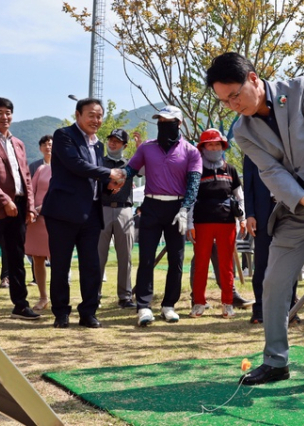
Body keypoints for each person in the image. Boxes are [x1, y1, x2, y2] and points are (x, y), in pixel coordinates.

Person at [207, 52, 304, 396]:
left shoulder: (298, 91)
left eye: (235, 95)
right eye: (224, 101)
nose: (233, 105)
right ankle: (276, 361)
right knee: (274, 281)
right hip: (295, 208)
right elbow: (271, 172)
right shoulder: (242, 131)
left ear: (252, 79)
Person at [42, 98, 126, 329]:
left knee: (91, 266)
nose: (96, 120)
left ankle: (88, 313)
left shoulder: (98, 145)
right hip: (62, 213)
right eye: (91, 115)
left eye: (99, 116)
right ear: (78, 115)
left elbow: (95, 177)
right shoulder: (64, 135)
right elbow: (75, 164)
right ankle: (61, 313)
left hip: (91, 213)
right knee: (61, 265)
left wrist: (109, 185)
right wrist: (109, 173)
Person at [124, 105, 202, 326]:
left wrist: (186, 209)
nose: (162, 125)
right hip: (151, 206)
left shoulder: (191, 151)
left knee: (176, 260)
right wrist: (114, 177)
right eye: (160, 121)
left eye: (167, 122)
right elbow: (130, 171)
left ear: (178, 124)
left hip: (177, 209)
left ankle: (169, 305)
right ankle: (144, 306)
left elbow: (194, 184)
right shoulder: (147, 148)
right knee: (146, 257)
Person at [0, 97, 40, 322]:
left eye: (8, 112)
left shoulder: (18, 143)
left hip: (18, 208)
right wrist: (4, 199)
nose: (4, 117)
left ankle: (20, 304)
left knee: (17, 256)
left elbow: (26, 176)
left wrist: (29, 206)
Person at [187, 128, 245, 319]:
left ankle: (227, 303)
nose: (213, 147)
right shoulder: (196, 169)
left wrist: (242, 219)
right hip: (201, 223)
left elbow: (239, 196)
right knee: (201, 264)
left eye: (217, 144)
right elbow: (191, 199)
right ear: (202, 147)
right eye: (209, 144)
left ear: (222, 146)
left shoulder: (230, 169)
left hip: (227, 222)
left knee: (227, 265)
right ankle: (198, 303)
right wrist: (189, 225)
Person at [244, 155, 300, 324]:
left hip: (288, 210)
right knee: (262, 262)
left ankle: (291, 308)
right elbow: (248, 187)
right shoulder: (251, 152)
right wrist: (250, 214)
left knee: (290, 262)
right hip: (262, 213)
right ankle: (260, 309)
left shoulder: (290, 147)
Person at [97, 129, 137, 309]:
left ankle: (125, 296)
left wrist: (140, 147)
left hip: (124, 210)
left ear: (124, 145)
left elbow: (145, 169)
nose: (112, 143)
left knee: (125, 256)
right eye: (111, 140)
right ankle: (94, 294)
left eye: (117, 141)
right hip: (102, 209)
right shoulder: (99, 161)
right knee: (98, 256)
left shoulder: (130, 164)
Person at [25, 135, 53, 311]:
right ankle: (43, 297)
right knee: (37, 259)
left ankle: (59, 297)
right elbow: (30, 190)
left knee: (58, 259)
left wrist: (43, 206)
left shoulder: (66, 169)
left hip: (55, 219)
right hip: (37, 219)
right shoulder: (41, 168)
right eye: (46, 145)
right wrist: (31, 209)